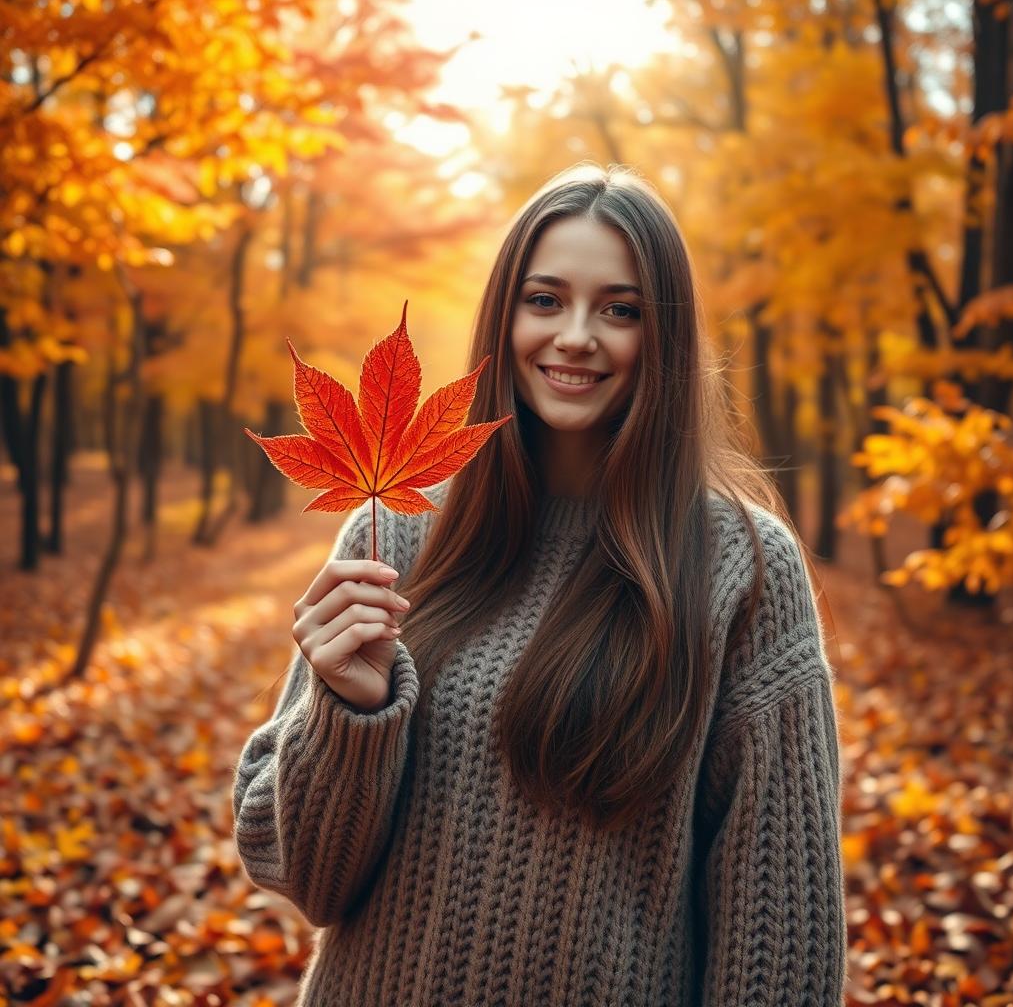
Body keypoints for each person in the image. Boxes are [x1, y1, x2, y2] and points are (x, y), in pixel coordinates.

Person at [232, 162, 848, 1006]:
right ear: (505, 317)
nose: (575, 336)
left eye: (620, 309)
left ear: (662, 336)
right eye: (545, 300)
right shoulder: (402, 527)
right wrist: (350, 713)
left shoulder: (744, 568)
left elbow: (781, 945)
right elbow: (304, 877)